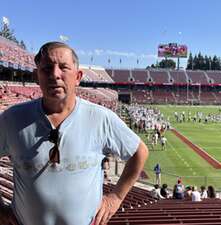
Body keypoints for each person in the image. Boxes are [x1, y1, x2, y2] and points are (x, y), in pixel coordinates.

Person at [0, 41, 148, 225]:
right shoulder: (12, 118)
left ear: (78, 76)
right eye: (46, 68)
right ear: (36, 76)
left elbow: (139, 152)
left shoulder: (101, 118)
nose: (55, 74)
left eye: (63, 67)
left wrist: (116, 197)